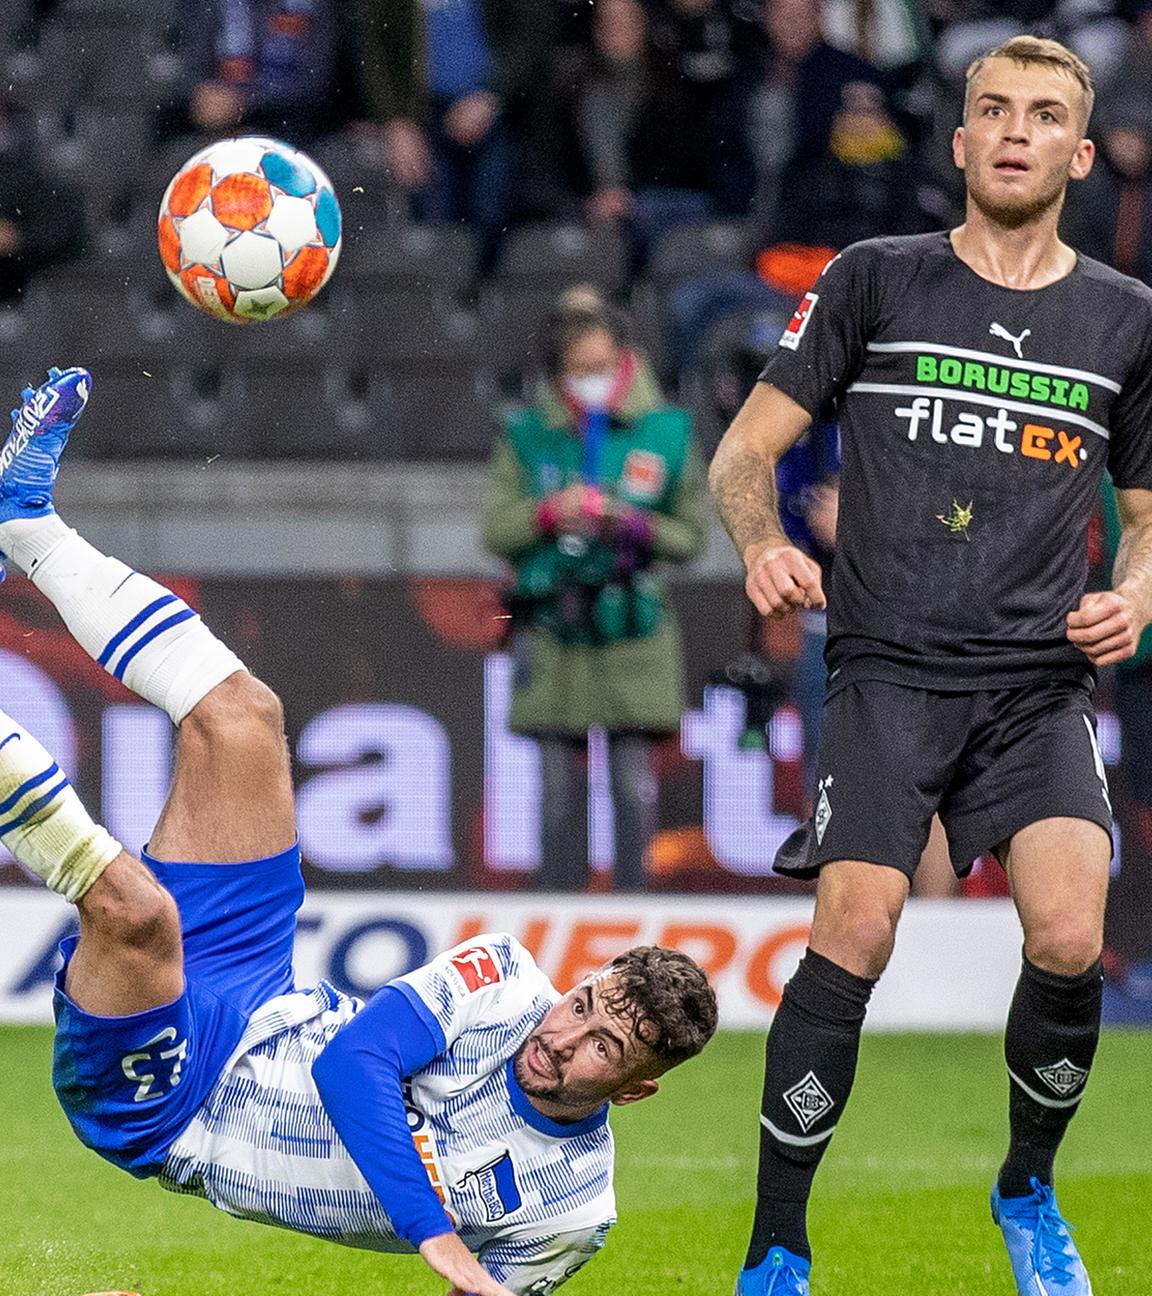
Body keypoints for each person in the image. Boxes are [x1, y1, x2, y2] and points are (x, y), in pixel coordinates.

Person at [0, 367, 719, 1296]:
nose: (564, 1038)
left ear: (635, 1091)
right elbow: (354, 1060)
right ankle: (25, 522)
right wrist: (438, 1239)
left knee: (137, 918)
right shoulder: (504, 980)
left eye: (604, 1052)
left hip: (171, 1103)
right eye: (584, 1006)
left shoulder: (571, 1213)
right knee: (243, 716)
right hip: (259, 992)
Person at [708, 35, 1152, 1296]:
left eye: (1046, 115)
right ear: (958, 144)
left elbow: (1150, 517)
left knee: (1070, 933)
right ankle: (776, 1249)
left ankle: (1026, 1186)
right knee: (857, 922)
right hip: (889, 669)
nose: (1017, 131)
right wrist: (763, 546)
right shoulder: (872, 279)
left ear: (1080, 149)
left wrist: (1132, 594)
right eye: (993, 111)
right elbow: (743, 458)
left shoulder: (1127, 320)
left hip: (1035, 683)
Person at [482, 294, 709, 891]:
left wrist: (631, 522)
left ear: (624, 358)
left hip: (633, 623)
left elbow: (692, 537)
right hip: (554, 625)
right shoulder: (527, 433)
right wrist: (549, 514)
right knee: (557, 793)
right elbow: (496, 530)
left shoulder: (666, 431)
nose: (592, 382)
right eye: (578, 372)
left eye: (601, 367)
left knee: (634, 787)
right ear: (559, 372)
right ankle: (559, 907)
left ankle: (637, 909)